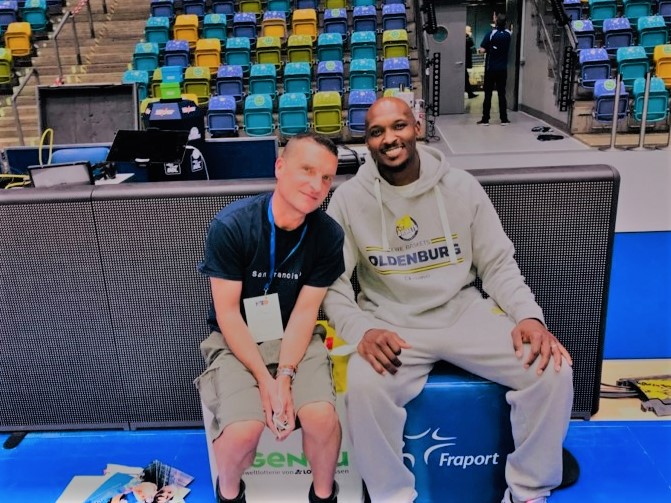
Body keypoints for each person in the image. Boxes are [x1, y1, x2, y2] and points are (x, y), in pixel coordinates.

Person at [322, 97, 574, 503]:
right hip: (392, 323)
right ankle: (392, 497)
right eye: (376, 132)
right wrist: (362, 330)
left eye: (399, 125)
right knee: (364, 387)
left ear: (417, 127)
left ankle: (528, 491)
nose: (389, 138)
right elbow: (332, 284)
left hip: (464, 312)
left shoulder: (461, 187)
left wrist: (529, 317)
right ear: (366, 142)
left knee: (552, 371)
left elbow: (497, 264)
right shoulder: (349, 199)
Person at [196, 132, 344, 503]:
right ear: (280, 167)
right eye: (307, 170)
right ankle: (230, 494)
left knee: (322, 418)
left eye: (326, 177)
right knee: (242, 431)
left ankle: (323, 495)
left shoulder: (328, 235)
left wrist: (286, 375)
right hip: (236, 338)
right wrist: (266, 381)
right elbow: (228, 313)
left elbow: (305, 312)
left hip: (295, 336)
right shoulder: (232, 226)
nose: (316, 185)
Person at [478, 13, 512, 125]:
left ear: (496, 21)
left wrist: (488, 48)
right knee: (502, 94)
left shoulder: (491, 34)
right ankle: (504, 119)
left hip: (491, 68)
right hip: (502, 69)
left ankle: (485, 119)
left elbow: (482, 50)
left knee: (488, 94)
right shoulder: (508, 34)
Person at [465, 25, 478, 99]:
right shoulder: (466, 38)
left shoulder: (466, 38)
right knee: (465, 77)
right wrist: (470, 36)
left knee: (466, 77)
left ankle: (470, 93)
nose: (470, 32)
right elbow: (471, 44)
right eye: (469, 30)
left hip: (464, 60)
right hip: (464, 60)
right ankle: (470, 93)